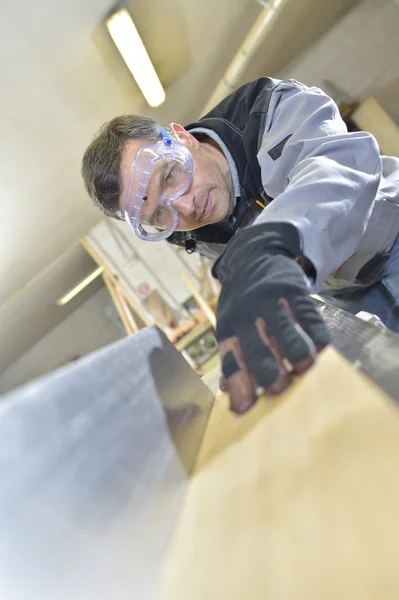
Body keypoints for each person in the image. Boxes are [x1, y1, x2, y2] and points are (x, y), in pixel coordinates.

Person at [81, 77, 399, 414]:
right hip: (347, 290)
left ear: (183, 138)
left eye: (170, 176)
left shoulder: (269, 109)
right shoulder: (189, 230)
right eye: (159, 213)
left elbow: (339, 169)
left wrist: (268, 244)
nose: (185, 208)